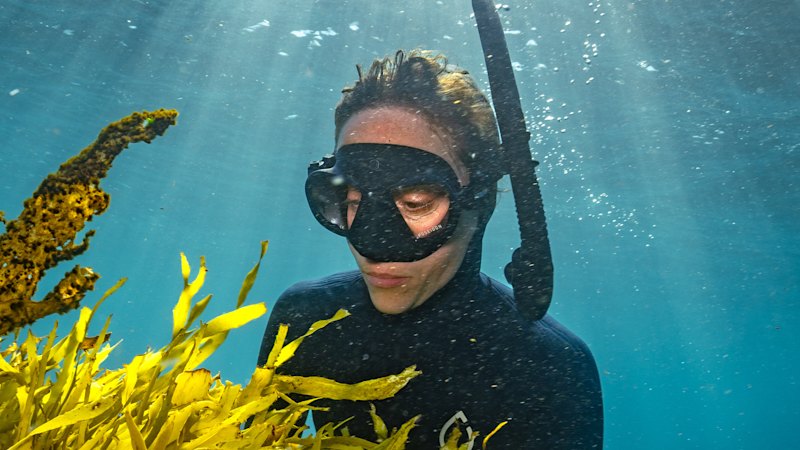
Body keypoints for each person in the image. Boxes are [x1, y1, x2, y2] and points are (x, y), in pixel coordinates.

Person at [257, 50, 603, 448]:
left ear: (480, 198)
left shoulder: (549, 368)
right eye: (352, 201)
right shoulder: (305, 320)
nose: (374, 245)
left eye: (417, 203)